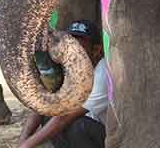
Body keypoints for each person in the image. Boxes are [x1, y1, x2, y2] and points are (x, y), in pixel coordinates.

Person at [19, 20, 109, 148]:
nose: (72, 53)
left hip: (103, 135)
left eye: (79, 49)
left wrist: (27, 145)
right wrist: (22, 141)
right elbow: (44, 104)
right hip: (80, 127)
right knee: (47, 114)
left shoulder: (103, 74)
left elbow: (65, 118)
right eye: (70, 48)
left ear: (96, 50)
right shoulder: (74, 68)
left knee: (77, 126)